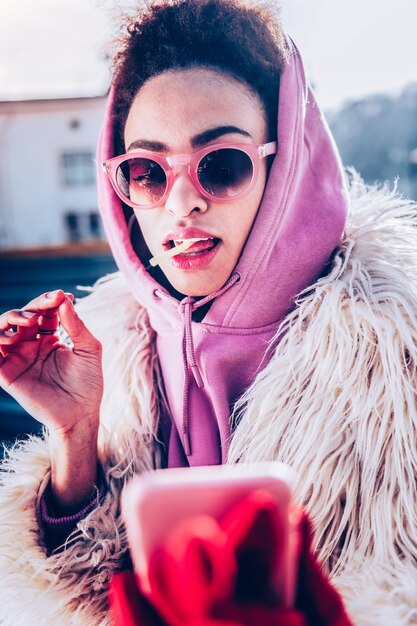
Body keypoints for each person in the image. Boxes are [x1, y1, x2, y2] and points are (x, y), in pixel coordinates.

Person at [0, 0, 416, 624]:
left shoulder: (396, 352)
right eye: (146, 172)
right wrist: (74, 435)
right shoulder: (114, 348)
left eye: (221, 164)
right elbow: (78, 599)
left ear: (287, 169)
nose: (183, 201)